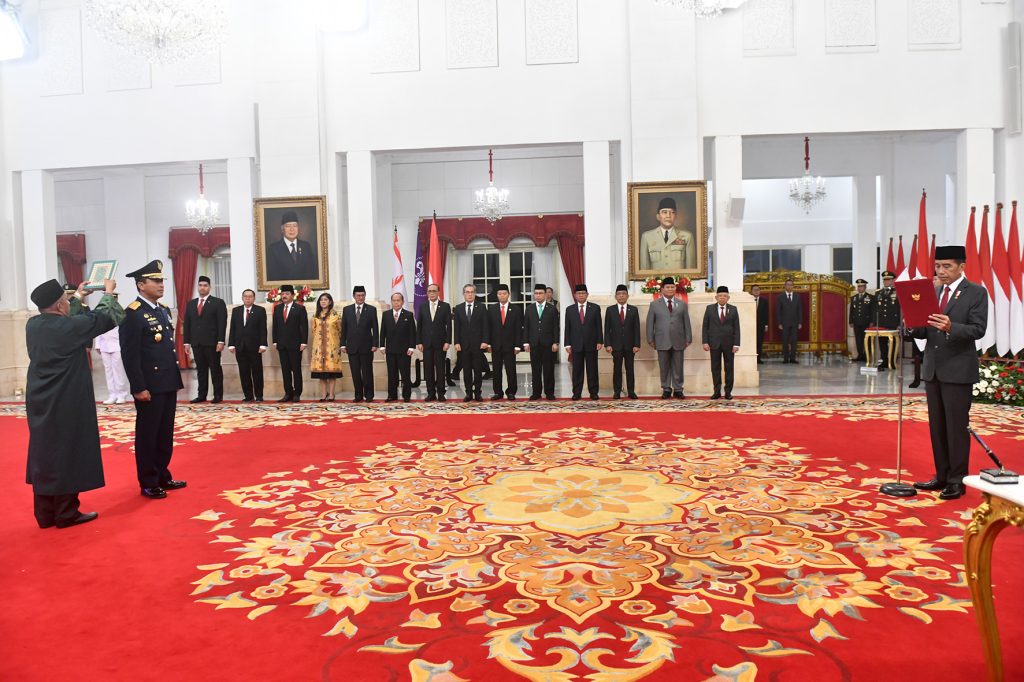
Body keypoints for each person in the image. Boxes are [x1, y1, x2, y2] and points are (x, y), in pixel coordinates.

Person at [26, 278, 123, 528]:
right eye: (66, 301)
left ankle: (45, 513)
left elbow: (71, 322)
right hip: (65, 399)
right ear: (60, 306)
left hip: (40, 399)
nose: (69, 304)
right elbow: (100, 320)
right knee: (67, 452)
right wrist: (109, 294)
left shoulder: (33, 325)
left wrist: (78, 297)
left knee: (45, 453)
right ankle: (66, 512)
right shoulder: (65, 328)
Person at [910, 246, 988, 500]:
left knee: (956, 428)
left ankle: (957, 480)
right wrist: (912, 324)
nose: (941, 272)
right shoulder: (932, 292)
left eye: (947, 266)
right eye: (938, 266)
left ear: (962, 267)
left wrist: (951, 326)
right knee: (937, 427)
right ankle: (941, 475)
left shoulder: (976, 292)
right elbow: (924, 330)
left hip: (958, 370)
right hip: (933, 369)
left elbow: (978, 329)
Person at [120, 260, 186, 500]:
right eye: (155, 281)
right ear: (140, 285)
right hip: (149, 385)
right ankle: (148, 481)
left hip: (167, 381)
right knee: (148, 435)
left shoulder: (163, 309)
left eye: (161, 280)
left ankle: (162, 476)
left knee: (165, 433)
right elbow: (130, 354)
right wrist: (138, 387)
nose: (160, 285)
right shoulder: (133, 314)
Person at [183, 275, 227, 404]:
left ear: (209, 287)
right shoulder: (191, 304)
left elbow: (221, 323)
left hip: (212, 343)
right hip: (197, 343)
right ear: (197, 287)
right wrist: (187, 342)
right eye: (200, 285)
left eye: (205, 285)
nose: (202, 288)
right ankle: (201, 395)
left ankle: (218, 395)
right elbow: (187, 324)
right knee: (201, 371)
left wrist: (221, 341)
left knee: (215, 369)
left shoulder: (218, 302)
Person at [646, 277, 692, 398]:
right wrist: (650, 339)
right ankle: (666, 388)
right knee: (664, 365)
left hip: (679, 339)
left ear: (675, 288)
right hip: (661, 339)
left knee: (678, 365)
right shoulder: (654, 305)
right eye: (667, 287)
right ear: (662, 290)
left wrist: (688, 337)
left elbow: (686, 321)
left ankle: (678, 389)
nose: (670, 289)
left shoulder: (682, 304)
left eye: (672, 287)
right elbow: (650, 323)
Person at [227, 288, 267, 403]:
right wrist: (231, 344)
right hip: (240, 347)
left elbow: (262, 329)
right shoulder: (236, 311)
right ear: (242, 298)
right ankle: (248, 395)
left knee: (257, 372)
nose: (248, 298)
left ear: (254, 298)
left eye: (250, 296)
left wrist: (263, 344)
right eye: (245, 296)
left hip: (255, 347)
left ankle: (259, 395)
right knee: (244, 372)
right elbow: (232, 328)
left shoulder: (260, 310)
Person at [563, 283, 603, 400]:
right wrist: (567, 344)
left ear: (587, 295)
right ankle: (576, 392)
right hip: (576, 344)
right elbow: (567, 328)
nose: (581, 295)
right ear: (575, 295)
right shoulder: (570, 309)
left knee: (592, 370)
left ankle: (594, 392)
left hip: (591, 343)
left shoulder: (595, 308)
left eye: (583, 293)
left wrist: (600, 341)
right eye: (578, 293)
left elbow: (598, 326)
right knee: (577, 370)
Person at [340, 285, 379, 403]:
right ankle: (358, 395)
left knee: (367, 372)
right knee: (355, 372)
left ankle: (369, 395)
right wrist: (343, 344)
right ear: (354, 296)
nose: (360, 297)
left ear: (365, 296)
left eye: (362, 295)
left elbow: (375, 328)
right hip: (351, 347)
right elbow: (344, 328)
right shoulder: (347, 310)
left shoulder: (371, 309)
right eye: (358, 295)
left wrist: (375, 344)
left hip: (367, 346)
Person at [702, 286, 741, 400]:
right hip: (714, 343)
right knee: (715, 368)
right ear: (716, 297)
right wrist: (705, 341)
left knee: (729, 368)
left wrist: (736, 344)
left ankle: (728, 391)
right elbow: (705, 326)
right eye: (720, 296)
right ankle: (716, 391)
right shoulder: (709, 309)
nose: (722, 298)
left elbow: (736, 328)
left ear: (728, 298)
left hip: (729, 344)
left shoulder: (733, 309)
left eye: (725, 296)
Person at [271, 284, 308, 402]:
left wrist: (304, 342)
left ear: (292, 295)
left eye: (287, 294)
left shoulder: (300, 308)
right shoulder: (277, 308)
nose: (284, 296)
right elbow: (275, 326)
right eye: (282, 294)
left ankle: (297, 393)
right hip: (281, 344)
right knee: (285, 370)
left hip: (296, 344)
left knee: (296, 369)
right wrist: (275, 340)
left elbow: (304, 326)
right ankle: (288, 393)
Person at [638, 197, 697, 271]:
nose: (668, 216)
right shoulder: (647, 237)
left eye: (672, 212)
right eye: (664, 212)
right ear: (658, 216)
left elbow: (690, 269)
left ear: (676, 216)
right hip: (654, 282)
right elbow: (644, 269)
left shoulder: (687, 236)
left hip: (680, 282)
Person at [454, 283, 490, 402]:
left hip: (478, 344)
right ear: (463, 294)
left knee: (478, 370)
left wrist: (485, 341)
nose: (469, 294)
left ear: (475, 294)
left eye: (472, 292)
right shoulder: (458, 308)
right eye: (467, 292)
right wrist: (456, 342)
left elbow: (486, 325)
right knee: (466, 370)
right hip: (464, 345)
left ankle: (478, 393)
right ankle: (468, 393)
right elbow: (457, 327)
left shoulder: (481, 307)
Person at [416, 283, 452, 402]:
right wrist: (419, 342)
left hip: (441, 344)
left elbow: (449, 326)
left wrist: (448, 341)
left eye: (434, 291)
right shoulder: (422, 306)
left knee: (441, 369)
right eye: (429, 291)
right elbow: (419, 325)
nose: (431, 293)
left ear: (438, 293)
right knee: (428, 369)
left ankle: (441, 393)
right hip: (426, 344)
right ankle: (431, 393)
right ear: (427, 293)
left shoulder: (445, 306)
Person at [524, 283, 559, 400]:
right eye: (536, 293)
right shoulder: (529, 309)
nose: (538, 295)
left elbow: (556, 327)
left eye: (540, 293)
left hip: (548, 344)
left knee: (549, 369)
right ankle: (536, 392)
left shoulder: (552, 309)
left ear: (545, 294)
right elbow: (526, 327)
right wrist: (526, 342)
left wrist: (556, 342)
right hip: (534, 344)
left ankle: (549, 392)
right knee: (535, 369)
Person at [604, 284, 640, 399]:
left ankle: (631, 391)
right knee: (617, 369)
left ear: (627, 296)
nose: (621, 296)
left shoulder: (634, 310)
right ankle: (617, 391)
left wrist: (637, 344)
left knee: (630, 369)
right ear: (615, 296)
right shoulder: (610, 310)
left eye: (623, 294)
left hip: (630, 346)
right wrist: (608, 344)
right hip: (616, 345)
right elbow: (607, 328)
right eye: (619, 294)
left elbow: (636, 328)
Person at [487, 283, 523, 400]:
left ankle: (511, 391)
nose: (502, 296)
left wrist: (518, 345)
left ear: (508, 294)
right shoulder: (491, 309)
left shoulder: (516, 309)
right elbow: (489, 328)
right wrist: (488, 343)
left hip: (510, 345)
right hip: (495, 345)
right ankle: (498, 392)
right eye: (499, 294)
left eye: (504, 293)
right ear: (497, 295)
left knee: (511, 369)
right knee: (496, 370)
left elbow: (518, 328)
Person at [379, 292, 417, 402]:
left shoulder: (408, 315)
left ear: (402, 302)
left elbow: (412, 333)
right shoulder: (386, 315)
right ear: (391, 302)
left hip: (404, 351)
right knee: (392, 374)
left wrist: (411, 347)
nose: (396, 302)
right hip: (390, 350)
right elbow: (383, 332)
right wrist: (382, 345)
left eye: (398, 300)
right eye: (394, 300)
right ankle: (392, 395)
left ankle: (406, 395)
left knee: (405, 374)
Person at [908, 274, 942, 389]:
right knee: (920, 356)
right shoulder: (928, 296)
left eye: (936, 279)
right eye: (933, 279)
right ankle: (921, 378)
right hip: (927, 334)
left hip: (944, 337)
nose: (933, 281)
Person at [266, 210, 317, 282]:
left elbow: (312, 272)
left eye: (295, 226)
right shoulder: (273, 249)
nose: (292, 229)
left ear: (298, 228)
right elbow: (272, 275)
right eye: (288, 226)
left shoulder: (306, 246)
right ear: (282, 229)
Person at [310, 292, 343, 402]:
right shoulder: (315, 316)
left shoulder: (336, 316)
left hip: (331, 348)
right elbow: (313, 331)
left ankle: (332, 394)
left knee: (331, 373)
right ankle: (324, 394)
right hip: (319, 349)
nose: (323, 301)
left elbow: (340, 331)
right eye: (321, 300)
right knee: (321, 374)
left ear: (330, 302)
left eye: (325, 299)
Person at [872, 271, 901, 370]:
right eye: (884, 280)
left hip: (893, 322)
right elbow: (875, 309)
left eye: (888, 279)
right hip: (881, 322)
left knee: (893, 343)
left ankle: (892, 361)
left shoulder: (897, 292)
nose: (886, 281)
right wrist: (875, 322)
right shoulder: (878, 293)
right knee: (882, 343)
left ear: (893, 280)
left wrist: (899, 323)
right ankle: (884, 360)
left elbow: (900, 308)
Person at [94, 325, 130, 404]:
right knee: (108, 371)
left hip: (117, 344)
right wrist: (97, 345)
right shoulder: (102, 313)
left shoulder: (119, 314)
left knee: (118, 371)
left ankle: (121, 394)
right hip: (104, 344)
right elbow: (98, 328)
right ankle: (112, 395)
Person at [776, 278, 802, 364]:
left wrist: (800, 322)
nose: (789, 286)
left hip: (795, 323)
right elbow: (778, 311)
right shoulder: (780, 297)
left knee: (794, 341)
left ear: (793, 286)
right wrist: (779, 323)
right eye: (788, 284)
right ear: (785, 286)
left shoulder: (797, 296)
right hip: (784, 323)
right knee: (785, 341)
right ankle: (786, 358)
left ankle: (793, 358)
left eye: (791, 284)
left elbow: (800, 310)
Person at [848, 278, 874, 363]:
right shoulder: (854, 298)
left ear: (865, 287)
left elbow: (872, 311)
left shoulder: (870, 297)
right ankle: (860, 355)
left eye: (861, 286)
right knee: (858, 340)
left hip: (866, 322)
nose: (859, 288)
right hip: (857, 322)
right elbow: (852, 310)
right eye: (858, 286)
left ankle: (867, 356)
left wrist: (872, 322)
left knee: (867, 339)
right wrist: (851, 321)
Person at [750, 284, 768, 364]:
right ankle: (751, 359)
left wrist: (766, 325)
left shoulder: (764, 301)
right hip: (750, 326)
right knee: (751, 342)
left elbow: (766, 314)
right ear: (751, 291)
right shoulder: (748, 300)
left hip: (761, 325)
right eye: (754, 290)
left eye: (758, 289)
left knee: (759, 342)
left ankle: (758, 359)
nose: (756, 291)